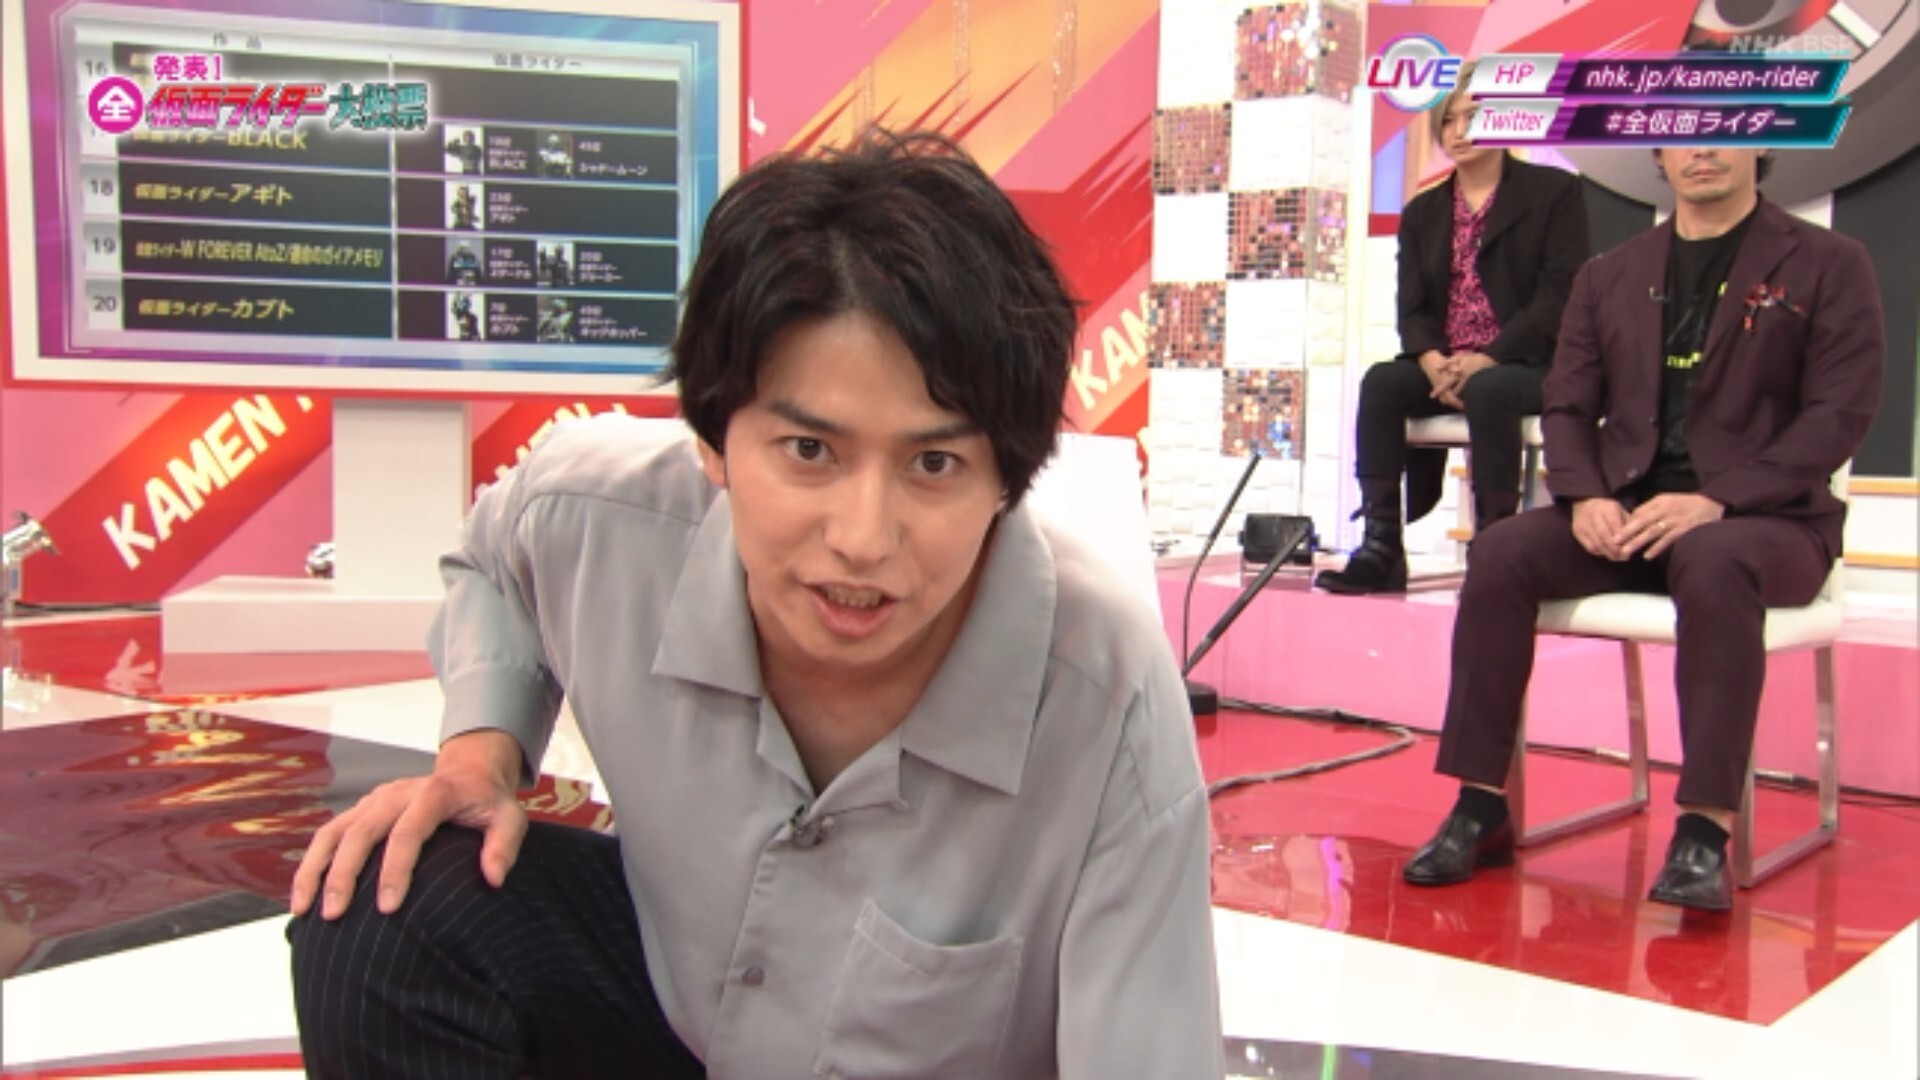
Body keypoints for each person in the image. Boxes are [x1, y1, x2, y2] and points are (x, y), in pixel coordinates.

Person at [287, 128, 1224, 1078]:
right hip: (685, 1021)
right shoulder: (599, 513)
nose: (863, 537)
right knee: (385, 903)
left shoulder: (1106, 698)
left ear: (1008, 482)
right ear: (712, 437)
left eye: (934, 463)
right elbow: (497, 559)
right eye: (810, 451)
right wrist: (480, 756)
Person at [1401, 145, 1884, 911]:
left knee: (1714, 559)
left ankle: (1702, 831)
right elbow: (1566, 405)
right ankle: (1480, 803)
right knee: (1501, 551)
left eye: (1720, 130)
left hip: (1767, 524)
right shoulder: (1611, 273)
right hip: (1628, 514)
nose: (1702, 150)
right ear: (1659, 153)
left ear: (1760, 143)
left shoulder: (1830, 262)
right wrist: (1586, 495)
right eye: (1683, 134)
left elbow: (1840, 414)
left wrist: (1717, 498)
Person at [1317, 62, 1590, 594]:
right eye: (1449, 120)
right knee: (1381, 383)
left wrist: (1488, 358)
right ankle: (1381, 548)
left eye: (1475, 116)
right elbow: (1412, 310)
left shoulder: (1555, 193)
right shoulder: (1424, 211)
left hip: (1526, 362)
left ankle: (1494, 553)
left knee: (1490, 388)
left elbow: (1559, 296)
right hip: (1445, 363)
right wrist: (1431, 361)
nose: (1461, 131)